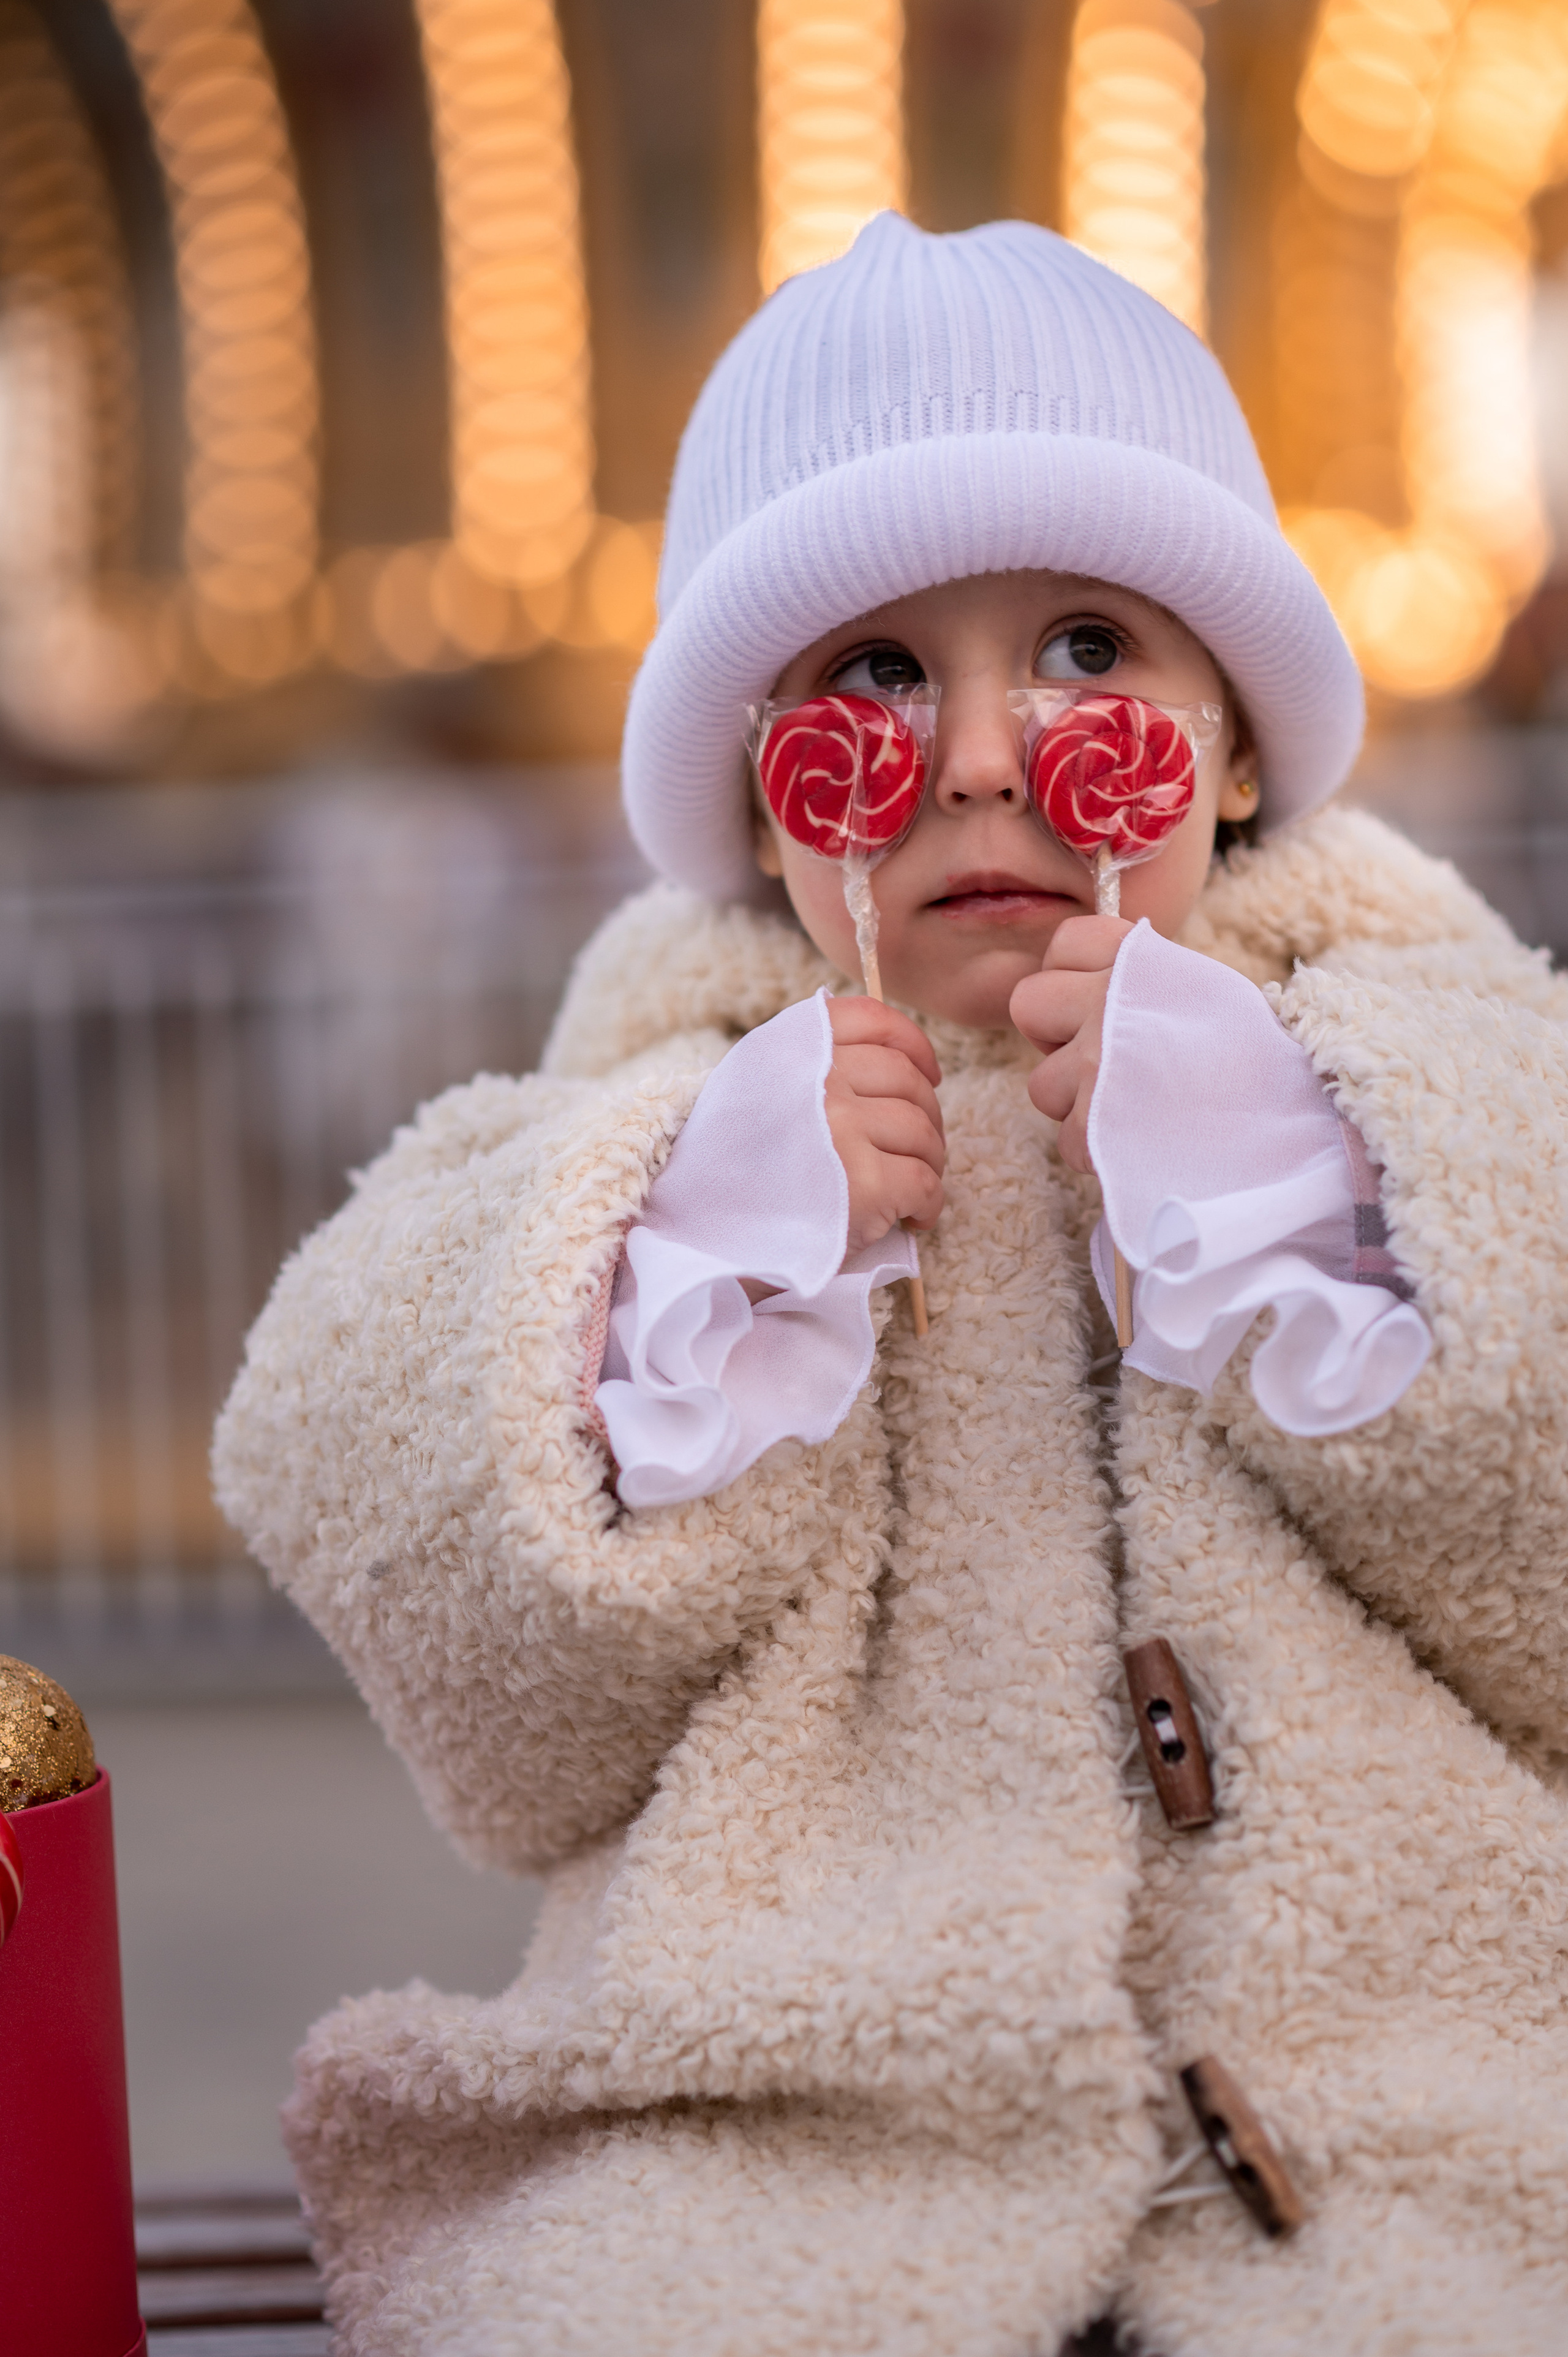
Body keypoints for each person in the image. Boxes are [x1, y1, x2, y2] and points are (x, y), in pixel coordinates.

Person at [214, 217, 1568, 2357]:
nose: (981, 755)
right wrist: (668, 1236)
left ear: (1234, 746)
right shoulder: (641, 1112)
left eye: (1090, 646)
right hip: (787, 2120)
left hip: (1424, 2094)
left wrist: (1341, 1174)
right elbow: (478, 1677)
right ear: (761, 804)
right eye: (871, 673)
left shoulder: (1455, 1062)